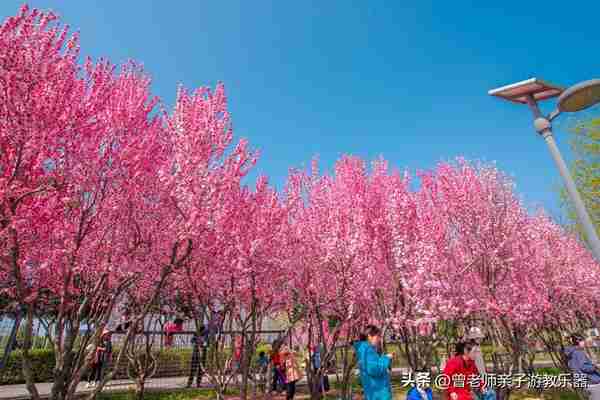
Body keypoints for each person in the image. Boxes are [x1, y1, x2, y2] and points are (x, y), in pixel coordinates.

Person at [353, 325, 393, 400]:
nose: (379, 339)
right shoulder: (367, 350)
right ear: (369, 336)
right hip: (378, 393)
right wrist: (386, 358)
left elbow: (373, 365)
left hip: (375, 392)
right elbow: (375, 369)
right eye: (377, 336)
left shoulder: (365, 349)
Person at [565, 334, 600, 400]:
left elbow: (573, 367)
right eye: (582, 340)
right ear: (578, 341)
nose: (584, 342)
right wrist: (596, 366)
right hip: (592, 382)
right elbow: (584, 367)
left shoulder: (570, 353)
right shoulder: (578, 352)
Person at [467, 328, 496, 400]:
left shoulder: (476, 348)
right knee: (489, 395)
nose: (481, 339)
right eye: (479, 337)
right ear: (475, 338)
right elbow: (476, 367)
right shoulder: (474, 350)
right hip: (479, 380)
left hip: (480, 379)